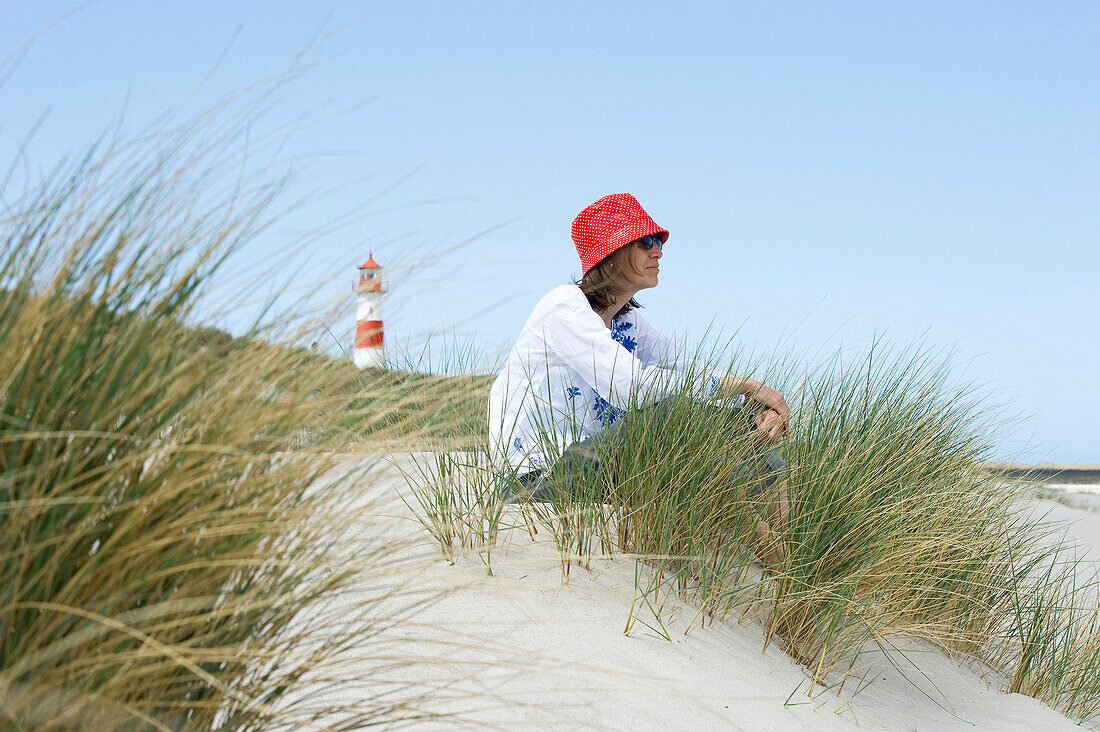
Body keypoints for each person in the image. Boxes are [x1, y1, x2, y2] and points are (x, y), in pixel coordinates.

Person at [487, 193, 790, 564]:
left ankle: (798, 563)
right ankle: (788, 574)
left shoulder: (627, 322)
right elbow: (633, 388)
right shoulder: (562, 306)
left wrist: (754, 400)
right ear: (610, 253)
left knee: (742, 432)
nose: (658, 252)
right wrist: (740, 387)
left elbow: (686, 369)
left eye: (659, 241)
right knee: (676, 416)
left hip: (596, 469)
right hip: (535, 484)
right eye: (646, 241)